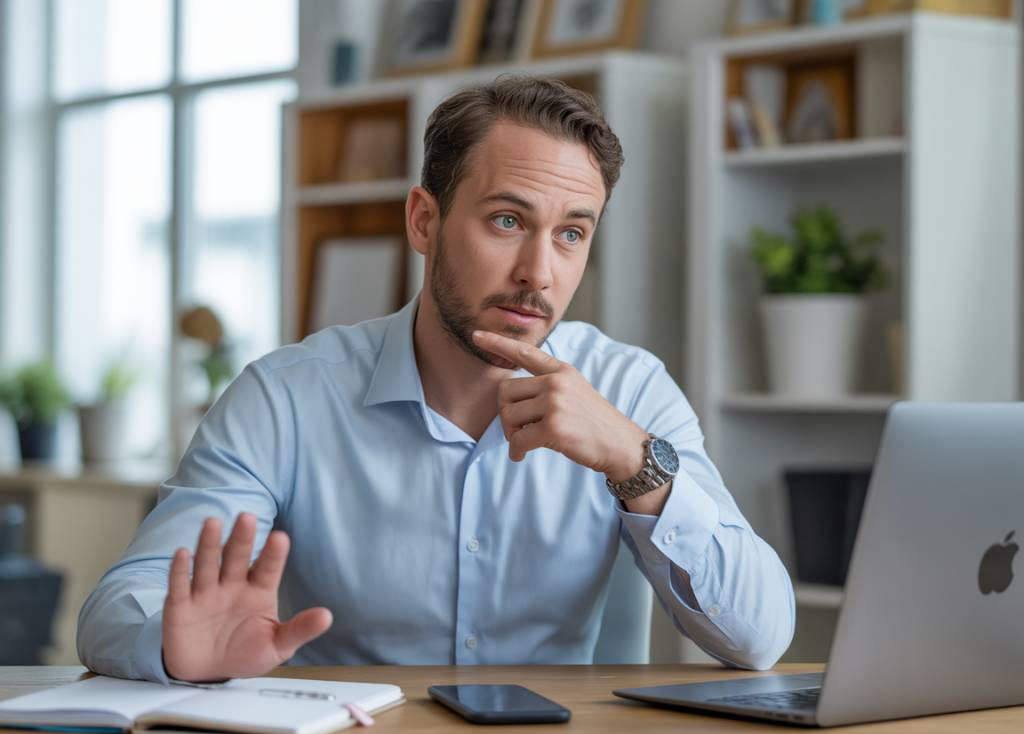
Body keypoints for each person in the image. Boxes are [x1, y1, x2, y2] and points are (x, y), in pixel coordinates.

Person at [78, 76, 794, 684]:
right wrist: (174, 649)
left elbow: (761, 636)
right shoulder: (286, 398)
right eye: (508, 220)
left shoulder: (630, 392)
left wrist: (639, 465)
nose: (539, 273)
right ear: (425, 220)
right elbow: (119, 607)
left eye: (572, 233)